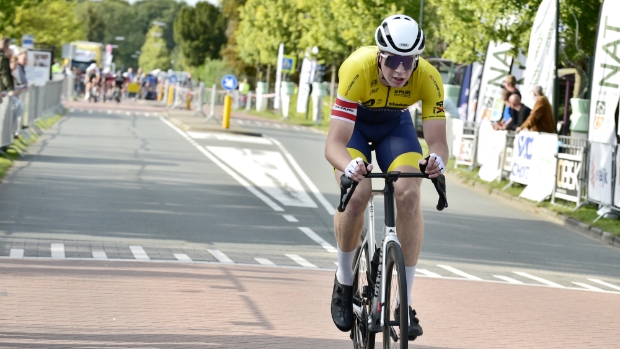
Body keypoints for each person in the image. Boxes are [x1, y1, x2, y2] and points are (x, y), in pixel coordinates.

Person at [325, 14, 447, 340]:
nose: (400, 70)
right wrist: (349, 167)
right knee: (358, 195)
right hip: (355, 130)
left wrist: (437, 161)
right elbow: (334, 142)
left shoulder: (430, 78)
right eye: (392, 60)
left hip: (396, 129)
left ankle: (403, 306)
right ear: (380, 54)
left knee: (408, 195)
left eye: (408, 62)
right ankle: (344, 280)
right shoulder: (357, 68)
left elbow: (437, 142)